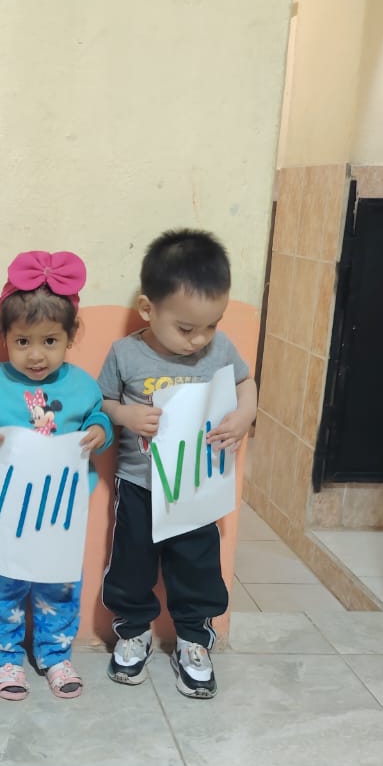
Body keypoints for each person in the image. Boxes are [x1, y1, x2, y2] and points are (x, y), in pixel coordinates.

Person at [98, 228, 257, 700]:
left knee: (197, 566)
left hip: (196, 486)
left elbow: (246, 382)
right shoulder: (126, 353)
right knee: (131, 564)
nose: (199, 340)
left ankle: (194, 639)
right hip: (139, 483)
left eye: (211, 325)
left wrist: (244, 415)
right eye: (186, 329)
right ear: (148, 309)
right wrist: (125, 415)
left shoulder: (220, 349)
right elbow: (100, 402)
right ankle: (133, 632)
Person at [0, 251, 112, 700]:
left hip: (61, 512)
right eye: (22, 341)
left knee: (58, 584)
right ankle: (5, 655)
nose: (36, 355)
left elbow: (99, 419)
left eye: (50, 341)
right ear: (4, 337)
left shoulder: (81, 385)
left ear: (70, 337)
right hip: (5, 513)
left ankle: (55, 654)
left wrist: (101, 431)